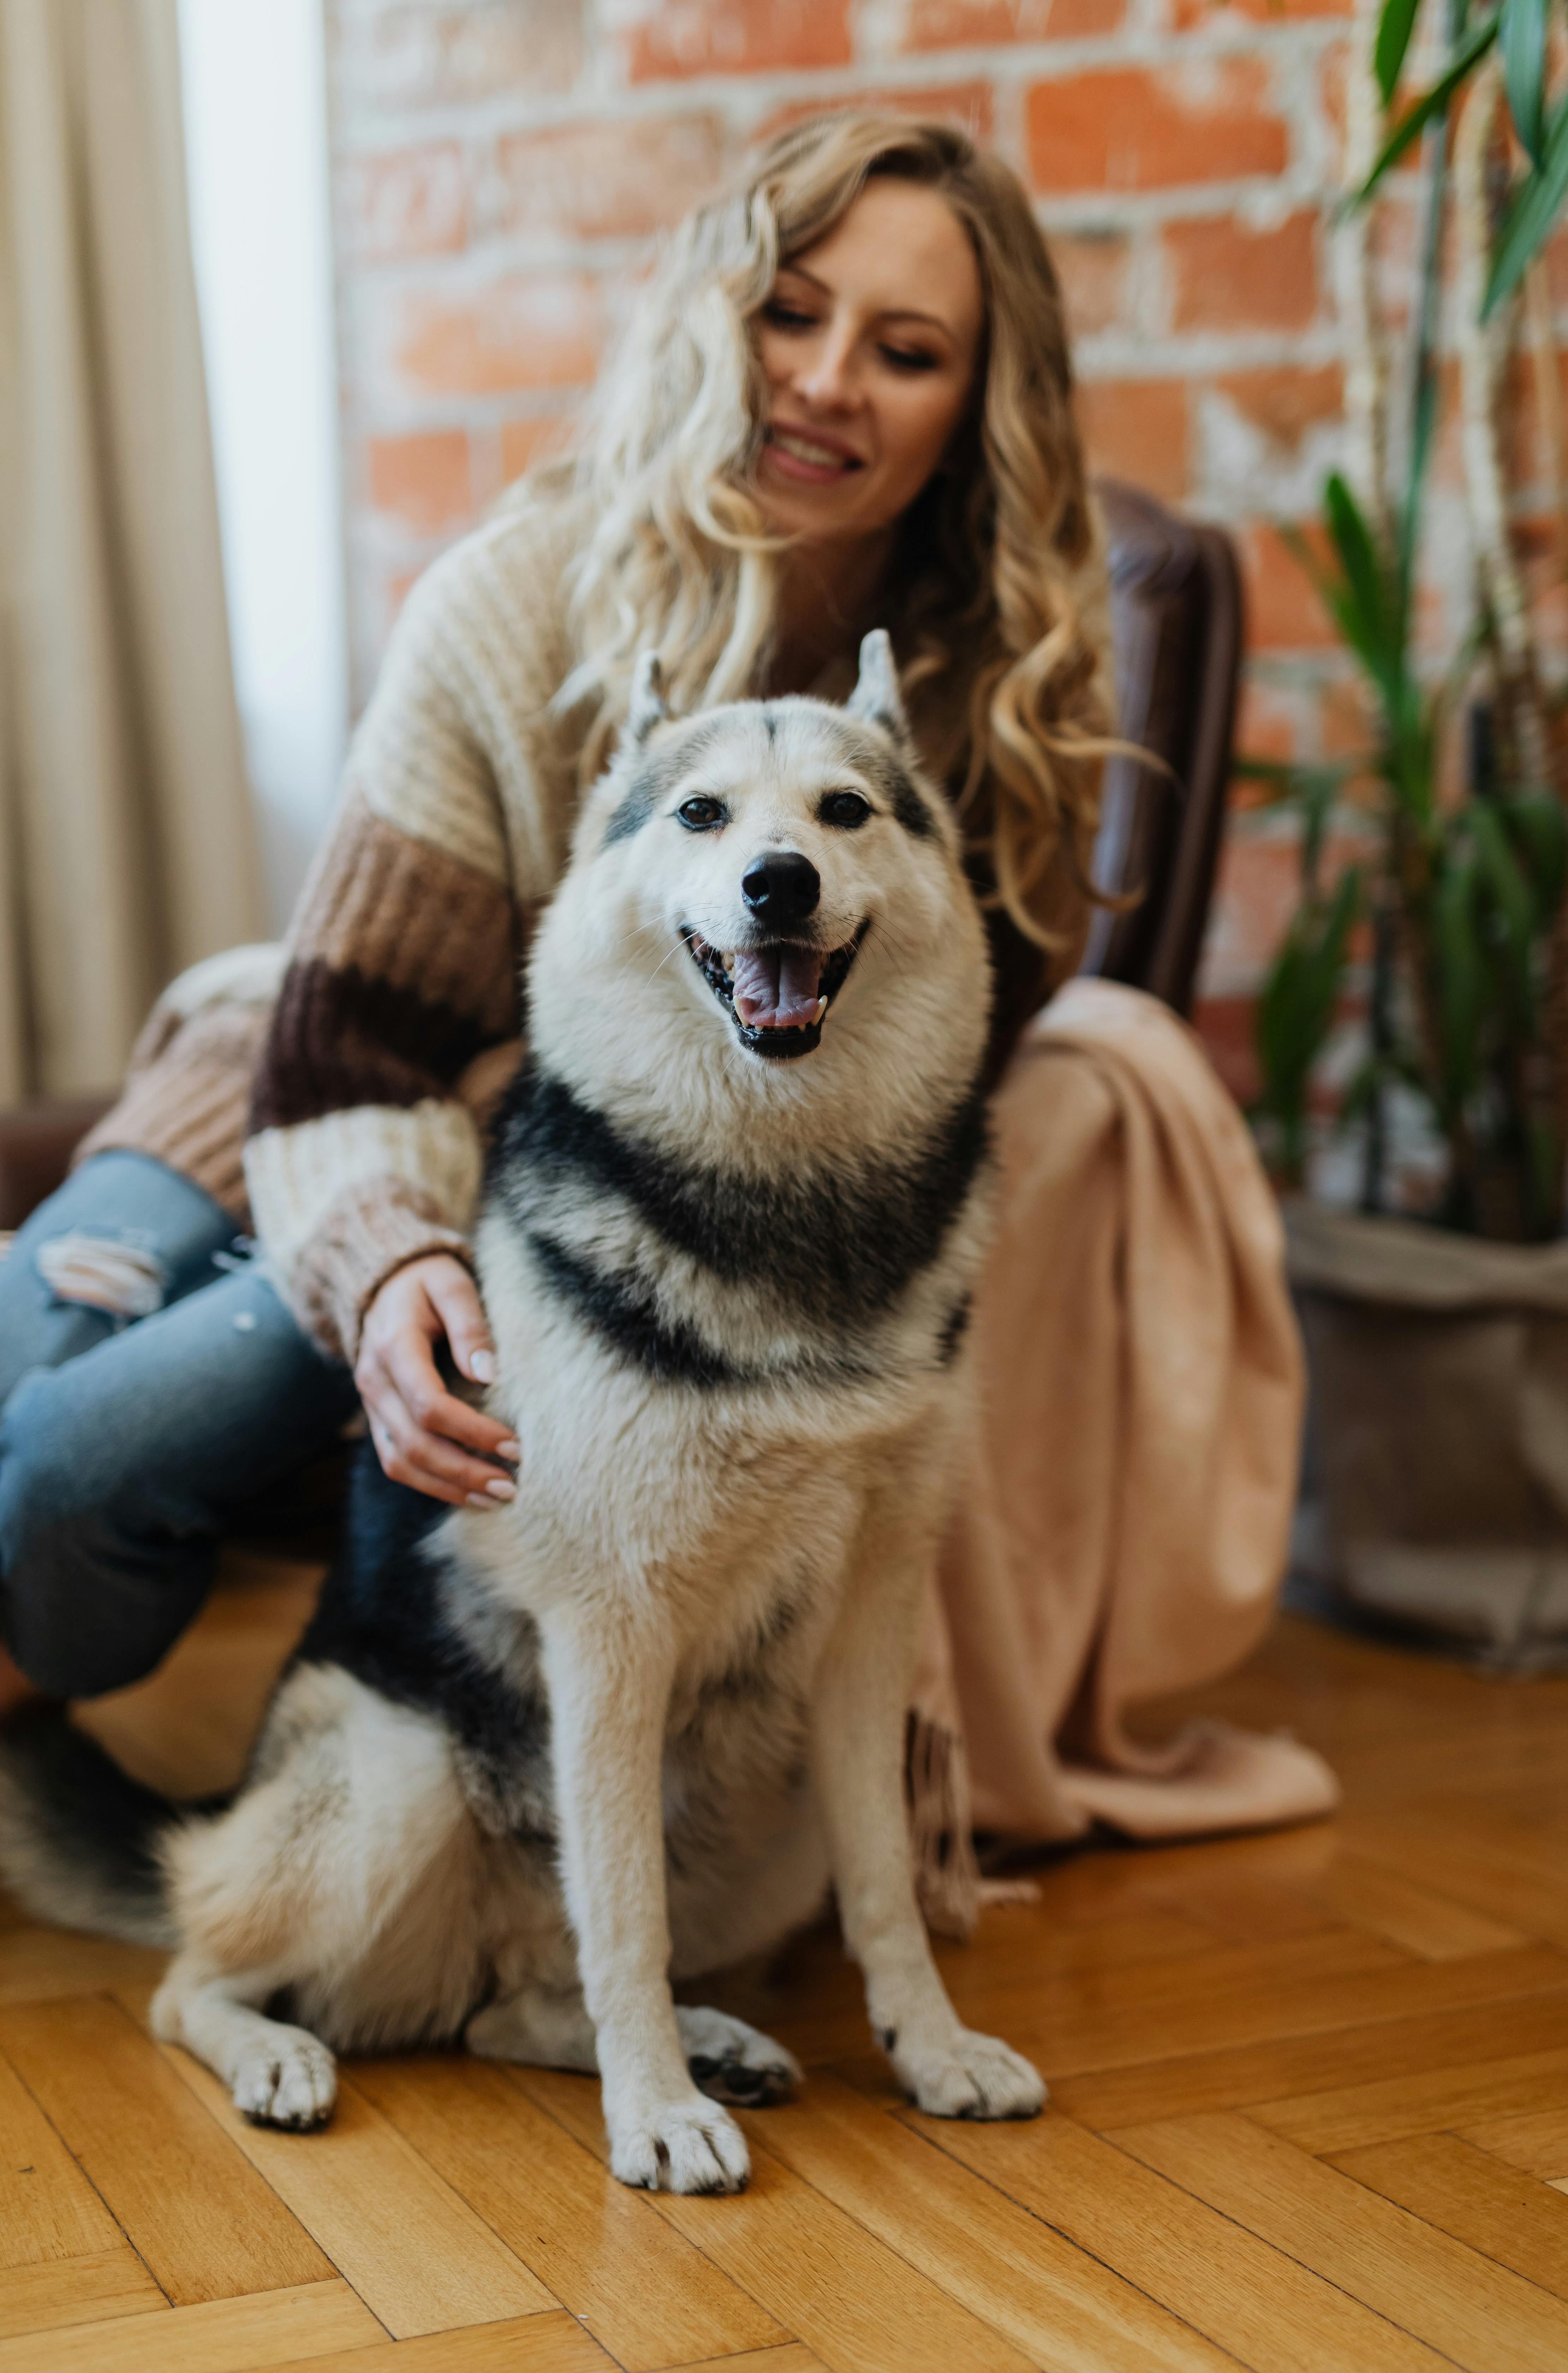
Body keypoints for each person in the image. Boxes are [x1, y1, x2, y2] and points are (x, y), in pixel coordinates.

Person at [0, 115, 1332, 1883]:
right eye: (791, 313)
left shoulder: (988, 698)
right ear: (718, 316)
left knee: (82, 1468)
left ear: (975, 410)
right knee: (34, 1382)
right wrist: (392, 1264)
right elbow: (345, 1043)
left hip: (560, 1191)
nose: (831, 381)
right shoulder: (519, 596)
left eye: (909, 350)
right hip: (311, 1106)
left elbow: (906, 1065)